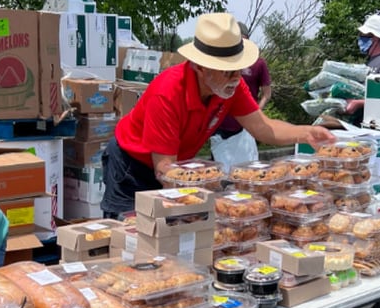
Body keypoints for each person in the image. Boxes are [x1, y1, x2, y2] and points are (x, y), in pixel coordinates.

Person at [101, 12, 336, 219]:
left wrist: (306, 133)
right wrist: (209, 200)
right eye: (227, 70)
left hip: (176, 168)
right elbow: (164, 168)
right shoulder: (168, 93)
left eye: (238, 69)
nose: (236, 77)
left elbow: (262, 127)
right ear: (200, 67)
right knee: (132, 232)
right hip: (132, 167)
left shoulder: (231, 86)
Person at [208, 21, 272, 171]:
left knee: (245, 170)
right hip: (220, 122)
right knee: (219, 169)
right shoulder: (222, 64)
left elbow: (266, 93)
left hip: (245, 124)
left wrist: (255, 112)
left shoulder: (258, 64)